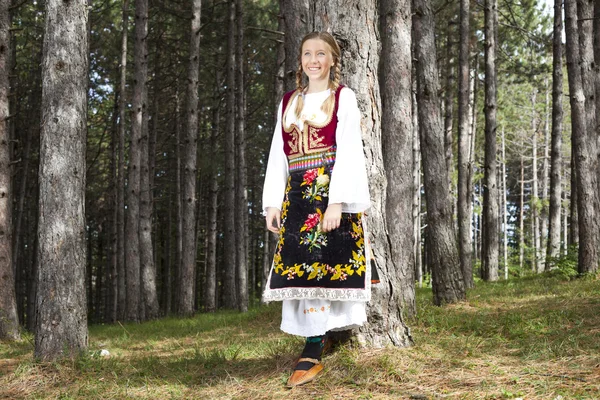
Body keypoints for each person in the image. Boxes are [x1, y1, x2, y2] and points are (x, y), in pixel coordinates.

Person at [262, 31, 372, 388]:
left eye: (320, 54)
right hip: (297, 199)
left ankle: (314, 345)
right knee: (303, 269)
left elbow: (351, 151)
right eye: (307, 53)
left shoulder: (343, 98)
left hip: (328, 193)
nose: (313, 60)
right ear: (300, 60)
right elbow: (278, 155)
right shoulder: (288, 102)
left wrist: (338, 201)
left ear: (332, 60)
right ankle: (314, 338)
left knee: (328, 267)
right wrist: (271, 202)